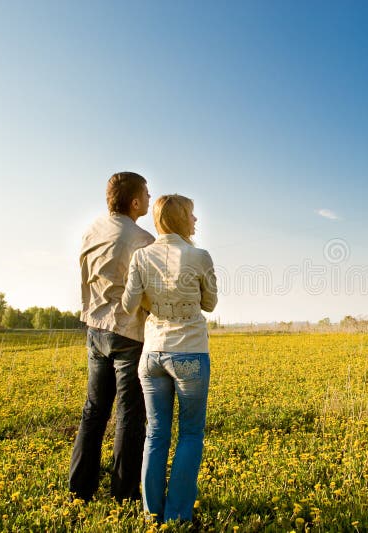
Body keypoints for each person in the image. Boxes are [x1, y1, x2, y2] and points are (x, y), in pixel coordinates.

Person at [122, 194, 217, 523]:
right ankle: (177, 516)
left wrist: (154, 298)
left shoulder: (140, 258)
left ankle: (151, 514)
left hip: (152, 354)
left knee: (156, 432)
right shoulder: (199, 256)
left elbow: (128, 305)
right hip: (190, 352)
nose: (195, 221)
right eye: (192, 215)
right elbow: (210, 304)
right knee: (190, 433)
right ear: (180, 219)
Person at [69, 171, 154, 502]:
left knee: (94, 410)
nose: (149, 198)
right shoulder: (143, 240)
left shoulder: (92, 230)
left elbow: (83, 276)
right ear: (134, 201)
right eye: (146, 194)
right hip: (129, 332)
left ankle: (80, 488)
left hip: (95, 328)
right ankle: (123, 493)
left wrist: (89, 311)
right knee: (130, 415)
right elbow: (149, 291)